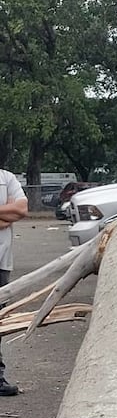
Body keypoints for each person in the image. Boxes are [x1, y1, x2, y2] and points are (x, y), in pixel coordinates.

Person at [0, 169, 29, 396]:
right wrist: (5, 213)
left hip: (1, 262)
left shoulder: (6, 178)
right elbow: (9, 216)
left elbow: (21, 209)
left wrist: (10, 214)